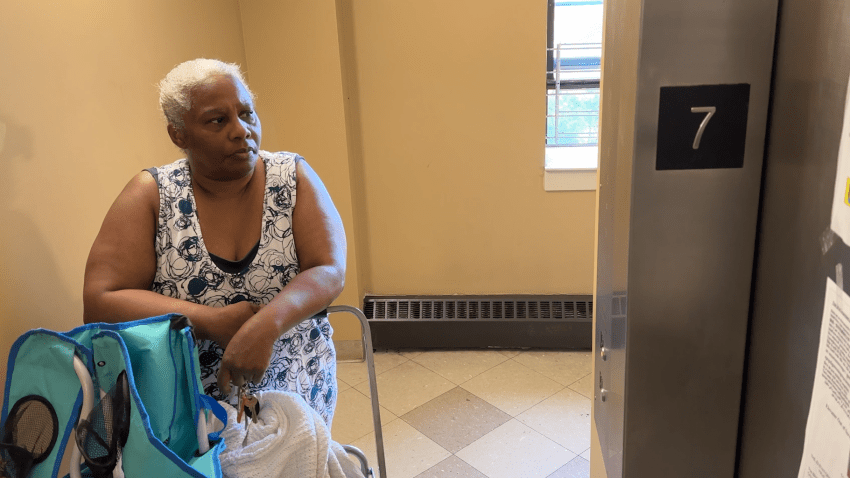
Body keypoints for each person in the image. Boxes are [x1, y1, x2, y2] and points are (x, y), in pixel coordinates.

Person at [83, 58, 345, 426]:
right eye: (217, 120)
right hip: (184, 409)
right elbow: (101, 300)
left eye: (246, 113)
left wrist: (265, 326)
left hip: (296, 390)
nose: (241, 130)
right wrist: (210, 321)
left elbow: (329, 269)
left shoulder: (292, 177)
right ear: (179, 134)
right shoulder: (151, 195)